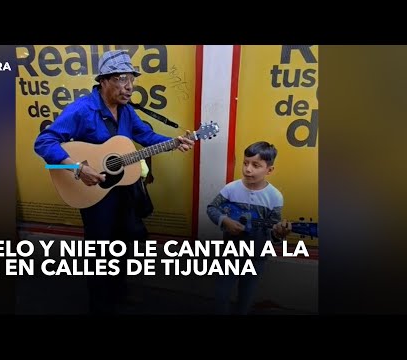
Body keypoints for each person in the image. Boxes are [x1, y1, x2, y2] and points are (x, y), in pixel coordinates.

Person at [34, 49, 194, 314]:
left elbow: (146, 136)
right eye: (121, 79)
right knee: (99, 252)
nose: (129, 87)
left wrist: (174, 142)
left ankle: (118, 293)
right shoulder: (82, 110)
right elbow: (44, 141)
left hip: (122, 190)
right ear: (104, 80)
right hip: (93, 193)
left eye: (131, 79)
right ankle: (99, 304)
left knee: (122, 243)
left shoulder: (126, 111)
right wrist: (76, 167)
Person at [206, 141, 291, 315]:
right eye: (245, 163)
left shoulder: (275, 197)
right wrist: (224, 220)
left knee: (247, 294)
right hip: (230, 253)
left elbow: (274, 231)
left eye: (255, 165)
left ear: (269, 170)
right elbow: (211, 208)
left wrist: (278, 234)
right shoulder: (231, 188)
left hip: (257, 256)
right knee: (221, 293)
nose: (248, 169)